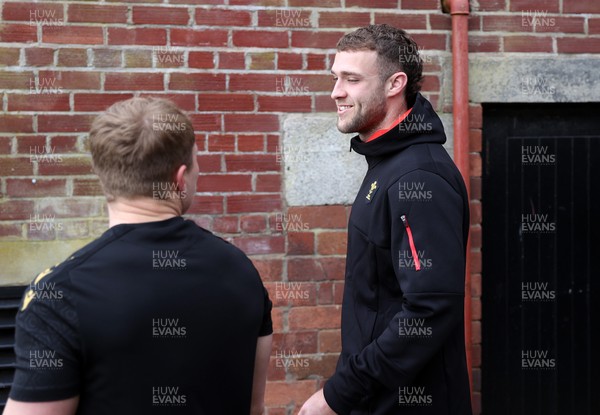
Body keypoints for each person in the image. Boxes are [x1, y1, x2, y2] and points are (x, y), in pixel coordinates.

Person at [4, 97, 273, 415]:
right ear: (180, 177)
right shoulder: (240, 271)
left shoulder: (58, 294)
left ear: (103, 175)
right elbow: (254, 407)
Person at [300, 24, 472, 414]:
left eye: (352, 79)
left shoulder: (418, 178)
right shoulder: (389, 164)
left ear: (395, 83)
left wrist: (339, 394)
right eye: (335, 78)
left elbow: (429, 309)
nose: (336, 92)